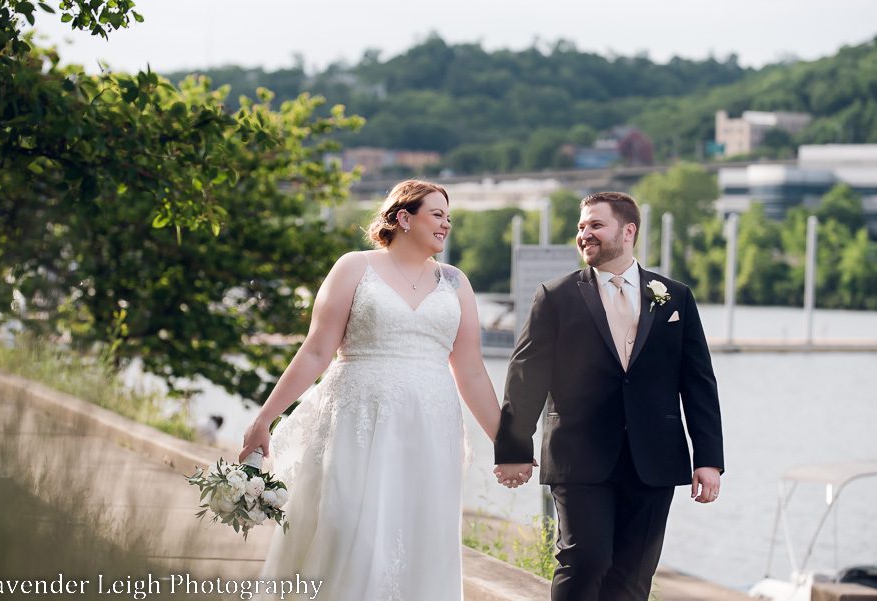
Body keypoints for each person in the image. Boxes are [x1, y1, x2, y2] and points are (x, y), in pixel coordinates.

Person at [240, 180, 511, 601]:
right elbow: (315, 351)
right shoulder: (354, 267)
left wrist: (506, 443)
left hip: (430, 428)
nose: (446, 225)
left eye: (449, 217)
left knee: (420, 535)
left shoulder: (457, 283)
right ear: (404, 218)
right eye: (437, 215)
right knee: (347, 525)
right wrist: (265, 417)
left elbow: (472, 371)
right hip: (356, 421)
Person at [493, 191, 724, 601]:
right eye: (581, 227)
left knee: (633, 576)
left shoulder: (675, 297)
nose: (585, 234)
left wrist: (708, 458)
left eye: (595, 225)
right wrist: (513, 447)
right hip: (578, 455)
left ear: (628, 231)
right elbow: (527, 375)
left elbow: (698, 382)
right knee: (585, 560)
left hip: (654, 456)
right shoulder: (555, 296)